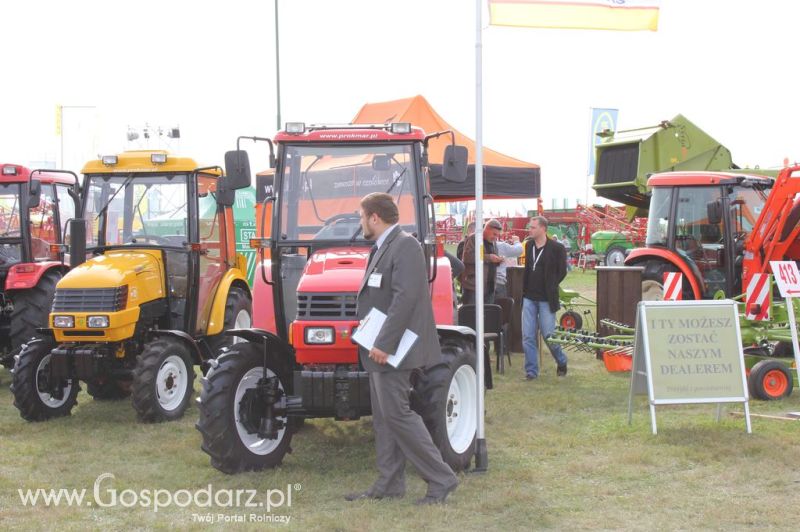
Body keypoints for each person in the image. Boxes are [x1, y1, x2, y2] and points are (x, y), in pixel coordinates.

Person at [346, 192, 458, 505]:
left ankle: (441, 478)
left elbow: (405, 298)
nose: (360, 222)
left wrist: (384, 343)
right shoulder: (384, 247)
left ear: (374, 218)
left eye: (360, 216)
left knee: (398, 414)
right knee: (384, 417)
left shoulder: (404, 245)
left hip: (394, 348)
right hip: (382, 347)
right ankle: (390, 482)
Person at [522, 215, 569, 379]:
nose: (530, 229)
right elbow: (528, 268)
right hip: (529, 297)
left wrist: (551, 284)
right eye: (530, 226)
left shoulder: (557, 248)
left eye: (533, 227)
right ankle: (531, 371)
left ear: (543, 228)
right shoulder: (528, 246)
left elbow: (562, 271)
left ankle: (561, 361)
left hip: (546, 299)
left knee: (549, 335)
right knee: (528, 336)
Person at [461, 219, 504, 305]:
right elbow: (467, 257)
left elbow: (491, 259)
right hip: (474, 287)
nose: (495, 238)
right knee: (471, 314)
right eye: (494, 234)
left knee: (487, 315)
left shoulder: (493, 242)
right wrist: (489, 257)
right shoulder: (474, 238)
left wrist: (499, 260)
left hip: (489, 287)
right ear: (487, 229)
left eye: (497, 235)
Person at [495, 234, 523, 299]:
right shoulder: (501, 245)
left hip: (480, 284)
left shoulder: (477, 246)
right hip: (499, 282)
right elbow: (519, 250)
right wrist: (516, 241)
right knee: (499, 307)